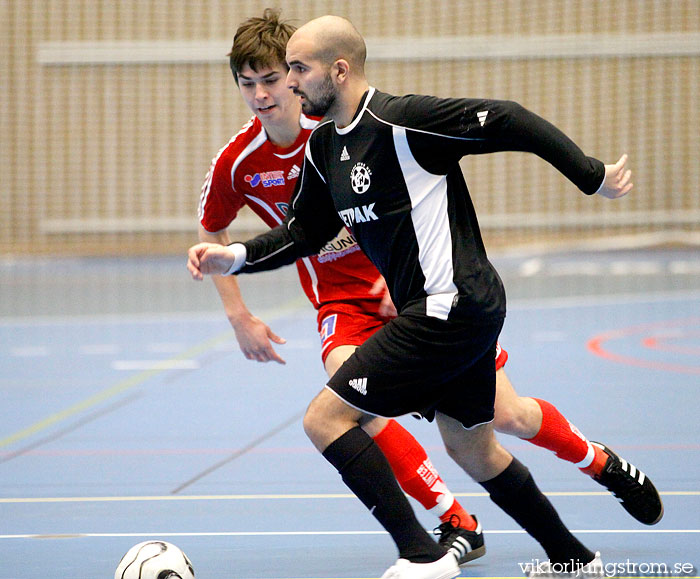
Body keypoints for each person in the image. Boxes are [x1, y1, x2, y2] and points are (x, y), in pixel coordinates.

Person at [191, 13, 659, 579]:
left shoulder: (402, 122)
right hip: (427, 310)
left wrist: (591, 175)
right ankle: (574, 559)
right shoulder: (323, 151)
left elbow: (506, 118)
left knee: (326, 417)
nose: (285, 85)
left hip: (449, 306)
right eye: (271, 75)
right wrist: (235, 257)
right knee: (474, 450)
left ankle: (424, 552)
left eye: (295, 70)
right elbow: (302, 235)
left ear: (338, 71)